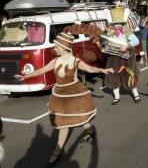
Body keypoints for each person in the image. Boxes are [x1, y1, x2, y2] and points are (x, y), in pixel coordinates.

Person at [15, 32, 114, 166]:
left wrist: (102, 70)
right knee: (68, 120)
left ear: (63, 47)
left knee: (68, 121)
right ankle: (89, 131)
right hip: (60, 94)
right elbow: (41, 70)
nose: (54, 49)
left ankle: (57, 152)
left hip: (74, 92)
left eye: (56, 46)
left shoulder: (75, 60)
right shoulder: (55, 60)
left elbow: (90, 69)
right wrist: (26, 76)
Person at [104, 23, 141, 105]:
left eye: (118, 24)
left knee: (130, 74)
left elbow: (136, 41)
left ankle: (136, 95)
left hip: (126, 57)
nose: (116, 26)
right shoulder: (109, 32)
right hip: (113, 58)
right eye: (115, 24)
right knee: (113, 75)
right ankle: (117, 97)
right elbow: (105, 43)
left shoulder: (126, 31)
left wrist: (127, 45)